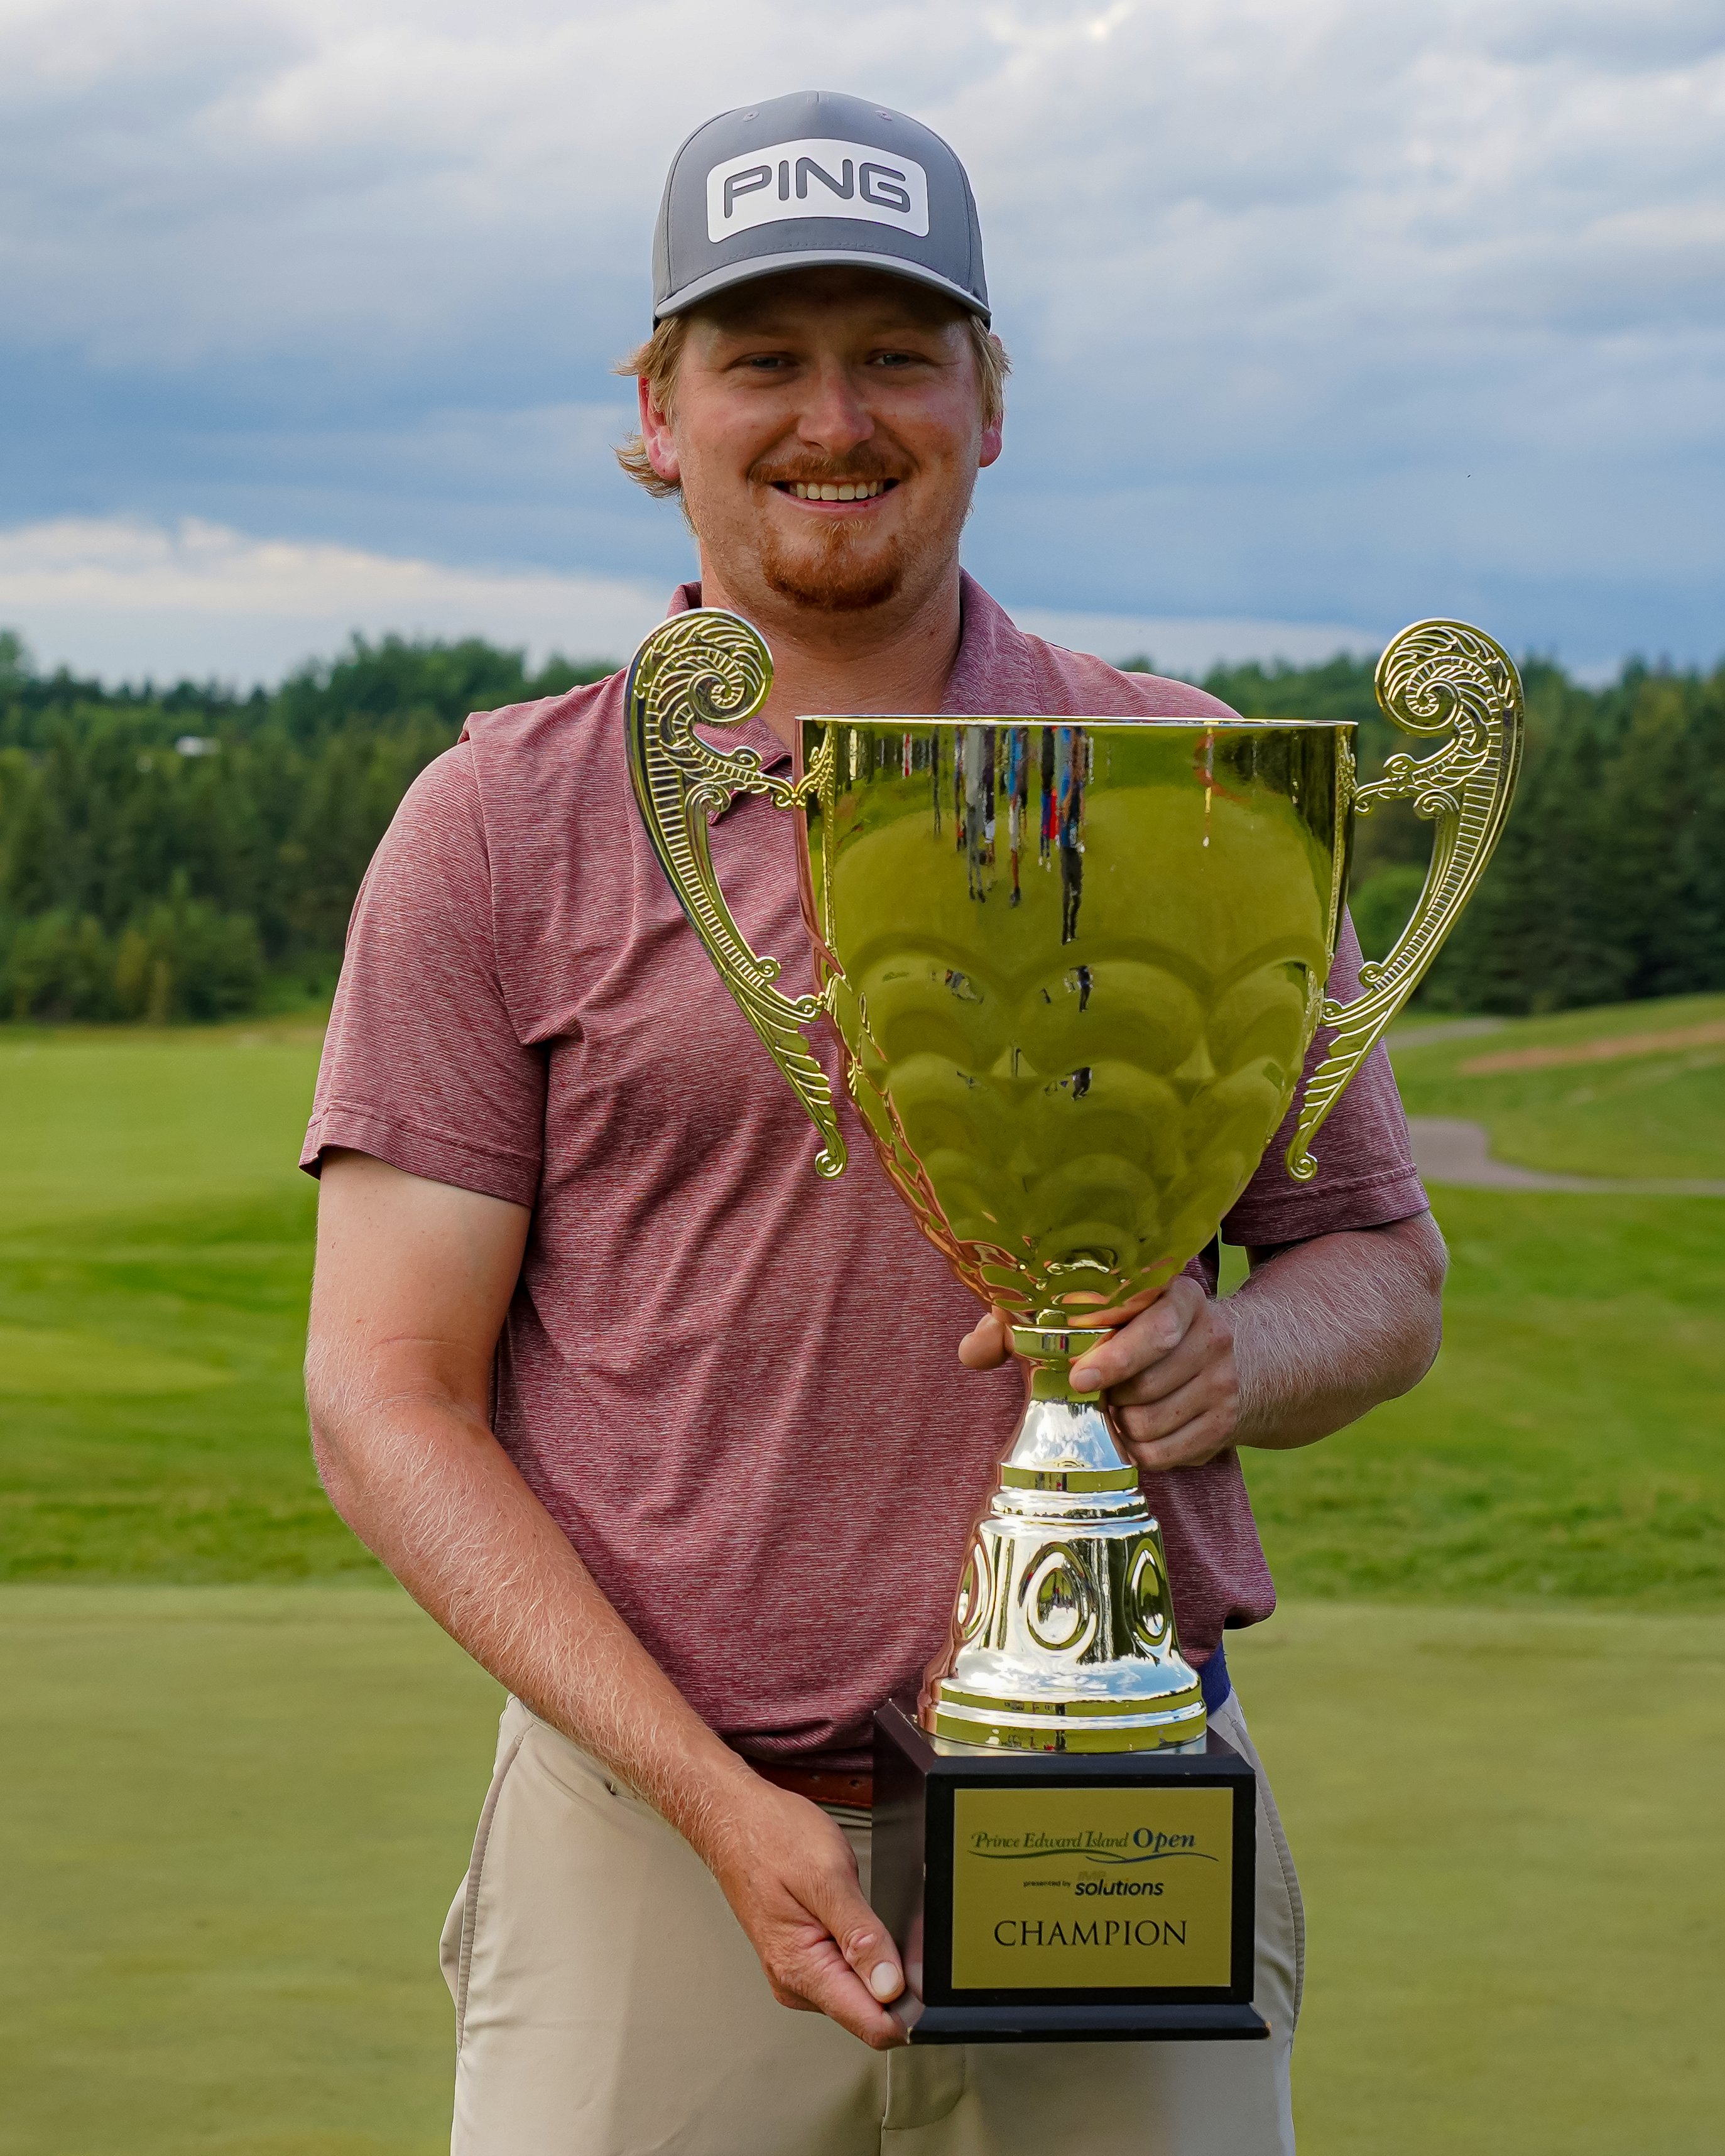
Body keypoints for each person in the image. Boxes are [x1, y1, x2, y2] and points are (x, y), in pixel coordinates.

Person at [302, 89, 1444, 2156]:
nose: (834, 420)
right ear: (657, 410)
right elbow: (386, 1396)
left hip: (1119, 1828)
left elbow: (1378, 1265)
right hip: (655, 1843)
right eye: (763, 359)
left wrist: (1235, 1355)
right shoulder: (499, 824)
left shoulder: (1190, 780)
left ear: (987, 404)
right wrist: (711, 1802)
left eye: (898, 355)